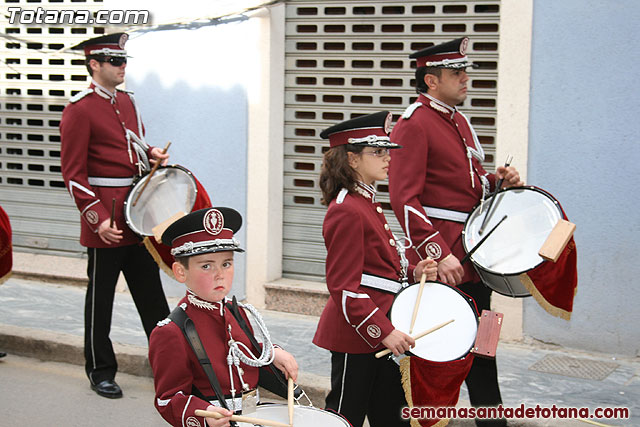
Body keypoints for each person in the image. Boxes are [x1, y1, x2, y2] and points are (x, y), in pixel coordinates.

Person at [388, 37, 523, 426]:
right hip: (444, 264)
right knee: (434, 355)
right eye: (457, 73)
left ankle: (492, 420)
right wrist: (437, 253)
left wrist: (498, 183)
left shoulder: (457, 120)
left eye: (466, 71)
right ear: (431, 80)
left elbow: (465, 189)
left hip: (473, 259)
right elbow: (404, 198)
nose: (466, 79)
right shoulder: (414, 122)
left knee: (485, 347)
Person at [59, 33, 170, 399]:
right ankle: (100, 370)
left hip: (135, 214)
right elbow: (73, 173)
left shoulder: (127, 101)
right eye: (115, 61)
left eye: (124, 61)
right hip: (106, 218)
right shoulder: (79, 109)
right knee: (101, 299)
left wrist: (152, 153)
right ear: (95, 64)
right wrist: (95, 217)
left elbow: (133, 145)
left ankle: (168, 368)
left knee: (152, 298)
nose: (123, 67)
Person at [312, 111, 438, 427]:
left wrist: (412, 271)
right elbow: (344, 288)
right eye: (377, 152)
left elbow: (377, 267)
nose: (387, 159)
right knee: (344, 419)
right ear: (352, 160)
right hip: (356, 336)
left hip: (380, 327)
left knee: (391, 416)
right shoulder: (347, 210)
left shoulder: (366, 202)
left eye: (386, 151)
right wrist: (384, 332)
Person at [148, 207, 299, 427]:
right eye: (207, 266)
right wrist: (203, 416)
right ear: (181, 272)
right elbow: (167, 400)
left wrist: (272, 353)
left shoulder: (236, 312)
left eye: (226, 264)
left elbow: (243, 355)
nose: (220, 274)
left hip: (253, 418)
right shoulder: (170, 332)